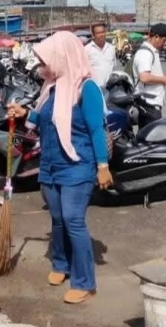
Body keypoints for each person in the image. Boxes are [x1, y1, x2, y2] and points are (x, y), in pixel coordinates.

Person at [6, 32, 112, 304]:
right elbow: (45, 120)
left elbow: (96, 129)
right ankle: (61, 264)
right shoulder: (52, 88)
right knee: (57, 219)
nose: (42, 66)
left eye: (46, 60)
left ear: (63, 57)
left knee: (73, 220)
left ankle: (84, 281)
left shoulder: (86, 88)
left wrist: (102, 165)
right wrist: (25, 114)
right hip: (51, 164)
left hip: (77, 165)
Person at [132, 23, 166, 127]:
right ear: (156, 37)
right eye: (164, 40)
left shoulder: (151, 51)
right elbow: (144, 77)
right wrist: (164, 79)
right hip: (148, 105)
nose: (164, 43)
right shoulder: (145, 53)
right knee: (151, 135)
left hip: (150, 104)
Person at [85, 23, 116, 87]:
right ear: (93, 35)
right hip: (95, 88)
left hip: (110, 88)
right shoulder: (87, 49)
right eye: (98, 33)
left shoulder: (111, 48)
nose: (101, 35)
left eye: (103, 32)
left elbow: (114, 67)